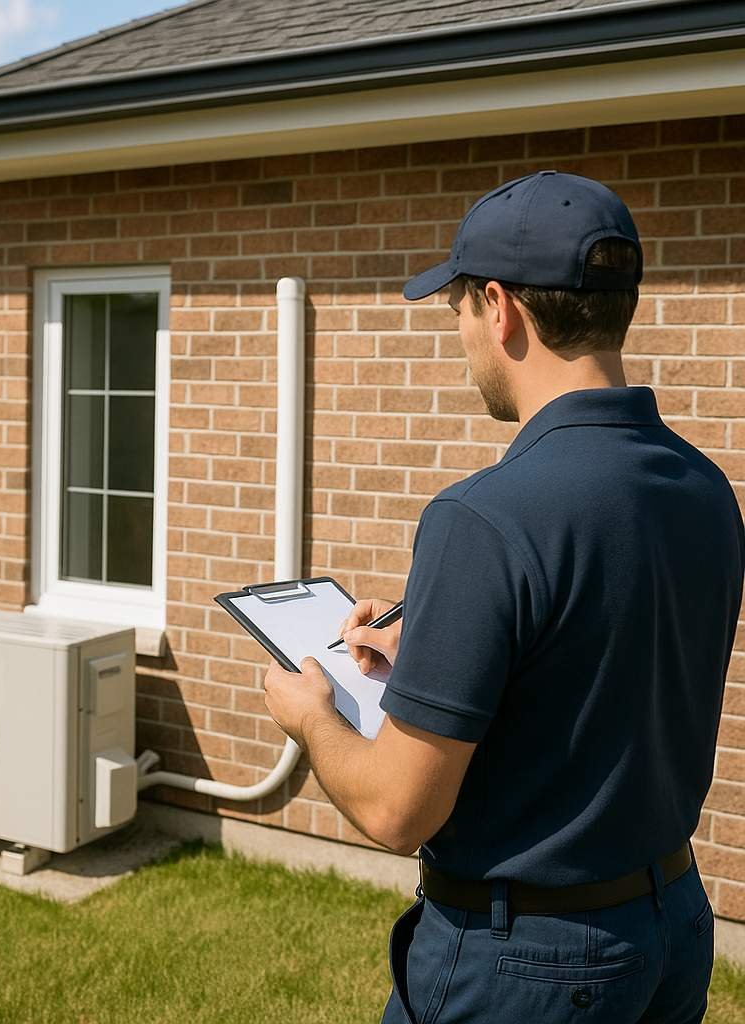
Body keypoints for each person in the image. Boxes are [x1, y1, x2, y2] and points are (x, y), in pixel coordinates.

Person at [261, 169, 745, 1023]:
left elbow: (396, 809)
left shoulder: (482, 517)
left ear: (501, 308)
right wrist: (444, 652)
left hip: (531, 964)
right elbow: (602, 663)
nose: (462, 337)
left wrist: (310, 715)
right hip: (669, 926)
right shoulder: (706, 490)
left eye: (457, 311)